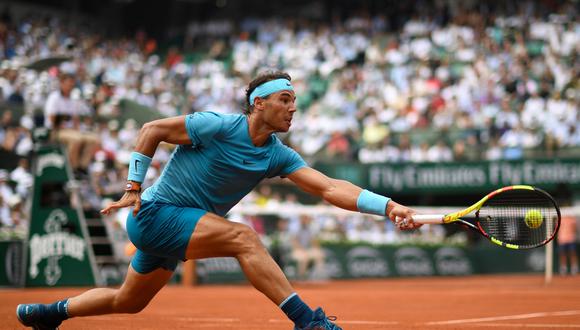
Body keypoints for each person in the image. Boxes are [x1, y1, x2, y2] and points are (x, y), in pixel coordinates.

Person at [16, 71, 419, 330]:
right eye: (284, 99)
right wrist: (133, 186)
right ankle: (306, 322)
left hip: (178, 227)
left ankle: (51, 314)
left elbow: (330, 187)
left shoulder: (278, 154)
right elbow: (151, 128)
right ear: (259, 103)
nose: (292, 107)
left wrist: (387, 206)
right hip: (155, 213)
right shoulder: (217, 125)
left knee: (129, 301)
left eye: (294, 101)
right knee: (244, 238)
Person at [558, 206, 578, 276]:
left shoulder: (572, 219)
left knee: (572, 253)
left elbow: (575, 228)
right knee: (562, 254)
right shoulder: (559, 219)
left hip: (571, 239)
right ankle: (563, 268)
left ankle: (574, 268)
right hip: (562, 240)